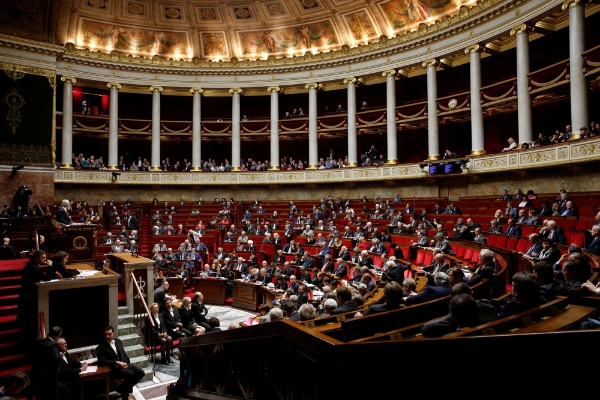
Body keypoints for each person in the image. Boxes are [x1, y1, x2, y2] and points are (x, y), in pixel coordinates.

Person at [96, 326, 145, 400]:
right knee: (130, 373)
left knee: (141, 372)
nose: (107, 336)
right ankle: (125, 396)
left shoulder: (118, 341)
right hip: (112, 369)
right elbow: (102, 361)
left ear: (114, 333)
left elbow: (123, 353)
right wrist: (116, 362)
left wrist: (126, 362)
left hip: (123, 365)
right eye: (105, 335)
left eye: (109, 334)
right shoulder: (101, 347)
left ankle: (121, 389)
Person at [17, 250, 56, 340]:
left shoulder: (31, 265)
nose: (45, 259)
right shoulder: (35, 268)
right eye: (42, 258)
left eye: (45, 257)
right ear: (36, 258)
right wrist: (50, 266)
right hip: (30, 295)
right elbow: (47, 278)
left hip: (26, 293)